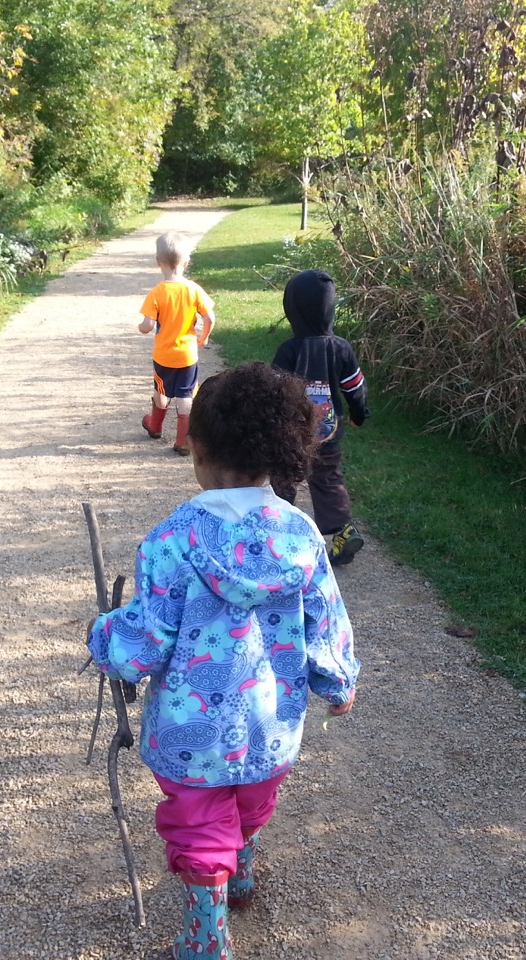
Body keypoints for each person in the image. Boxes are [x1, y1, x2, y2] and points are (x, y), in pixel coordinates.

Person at [87, 362, 360, 960]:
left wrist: (105, 638)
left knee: (200, 821)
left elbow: (145, 640)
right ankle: (241, 863)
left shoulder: (171, 541)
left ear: (200, 451)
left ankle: (207, 932)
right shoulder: (300, 535)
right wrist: (338, 679)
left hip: (191, 734)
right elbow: (325, 616)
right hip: (270, 722)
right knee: (254, 801)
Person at [271, 269, 370, 566]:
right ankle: (343, 531)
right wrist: (359, 414)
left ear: (292, 309)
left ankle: (278, 534)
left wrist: (269, 423)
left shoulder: (289, 350)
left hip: (293, 431)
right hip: (328, 429)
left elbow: (275, 390)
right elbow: (355, 387)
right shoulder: (341, 348)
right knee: (327, 478)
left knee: (285, 476)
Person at [138, 231, 216, 456]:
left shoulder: (156, 293)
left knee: (161, 390)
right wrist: (204, 337)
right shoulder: (193, 289)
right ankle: (182, 441)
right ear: (187, 262)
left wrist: (142, 328)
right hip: (187, 355)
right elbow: (209, 317)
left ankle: (154, 426)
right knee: (186, 394)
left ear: (158, 262)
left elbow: (147, 324)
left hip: (164, 355)